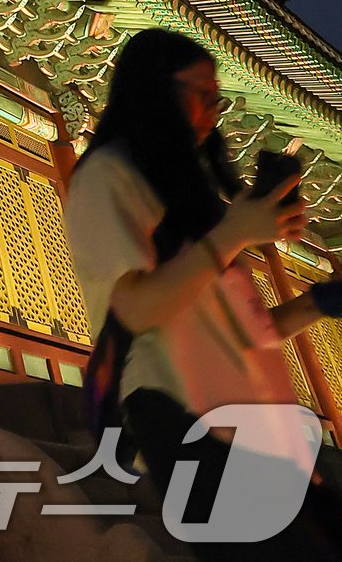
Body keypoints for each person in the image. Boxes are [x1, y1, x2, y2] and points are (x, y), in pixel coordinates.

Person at [66, 29, 342, 558]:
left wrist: (318, 302)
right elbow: (136, 307)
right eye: (200, 94)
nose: (212, 111)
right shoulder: (105, 177)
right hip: (183, 418)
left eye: (216, 98)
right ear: (153, 90)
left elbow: (252, 332)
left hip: (262, 433)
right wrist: (233, 233)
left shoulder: (194, 208)